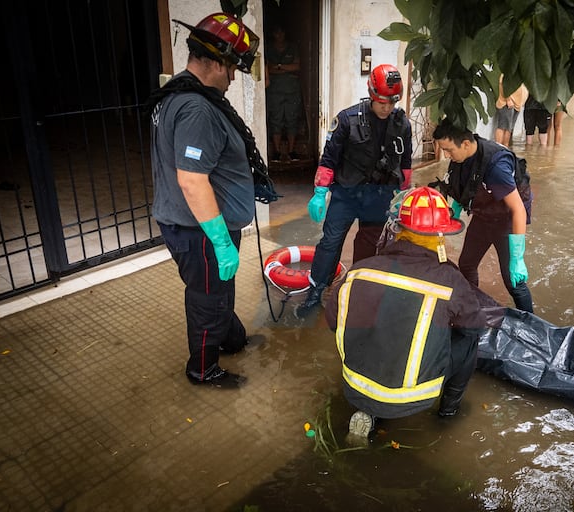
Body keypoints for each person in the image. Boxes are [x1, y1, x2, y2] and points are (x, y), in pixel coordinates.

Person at [148, 13, 260, 387]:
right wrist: (221, 241)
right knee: (207, 299)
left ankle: (230, 339)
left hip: (195, 227)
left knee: (216, 291)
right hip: (200, 231)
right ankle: (202, 369)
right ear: (213, 61)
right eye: (231, 69)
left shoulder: (179, 93)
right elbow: (193, 181)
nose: (232, 78)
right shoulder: (196, 108)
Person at [325, 186, 486, 443]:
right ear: (440, 235)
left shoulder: (359, 271)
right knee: (469, 342)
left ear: (396, 229)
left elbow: (334, 322)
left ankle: (368, 410)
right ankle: (449, 411)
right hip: (412, 398)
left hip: (353, 386)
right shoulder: (449, 280)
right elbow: (474, 327)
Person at [295, 64, 413, 318]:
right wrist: (319, 192)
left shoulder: (402, 124)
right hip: (346, 195)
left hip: (380, 196)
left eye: (392, 102)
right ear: (371, 93)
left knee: (368, 247)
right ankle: (316, 291)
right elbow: (328, 160)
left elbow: (405, 165)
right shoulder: (347, 120)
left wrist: (403, 197)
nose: (386, 107)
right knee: (330, 243)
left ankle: (358, 292)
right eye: (382, 101)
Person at [431, 118, 533, 312]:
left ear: (466, 143)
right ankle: (472, 309)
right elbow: (463, 187)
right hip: (484, 216)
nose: (446, 154)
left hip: (505, 220)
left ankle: (534, 326)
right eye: (443, 149)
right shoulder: (461, 157)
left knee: (513, 281)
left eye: (449, 150)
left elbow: (518, 209)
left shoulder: (496, 168)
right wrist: (454, 211)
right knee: (467, 264)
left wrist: (518, 258)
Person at [265, 24, 303, 161]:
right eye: (276, 33)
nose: (279, 36)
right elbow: (268, 68)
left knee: (292, 119)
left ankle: (291, 152)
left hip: (292, 90)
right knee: (276, 120)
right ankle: (276, 153)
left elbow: (297, 66)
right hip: (275, 90)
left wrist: (279, 66)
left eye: (281, 32)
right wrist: (287, 68)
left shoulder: (292, 47)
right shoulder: (268, 48)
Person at [494, 75, 528, 147]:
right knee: (503, 126)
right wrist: (508, 99)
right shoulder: (507, 72)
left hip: (517, 104)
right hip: (507, 103)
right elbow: (502, 83)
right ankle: (498, 147)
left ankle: (505, 147)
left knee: (509, 128)